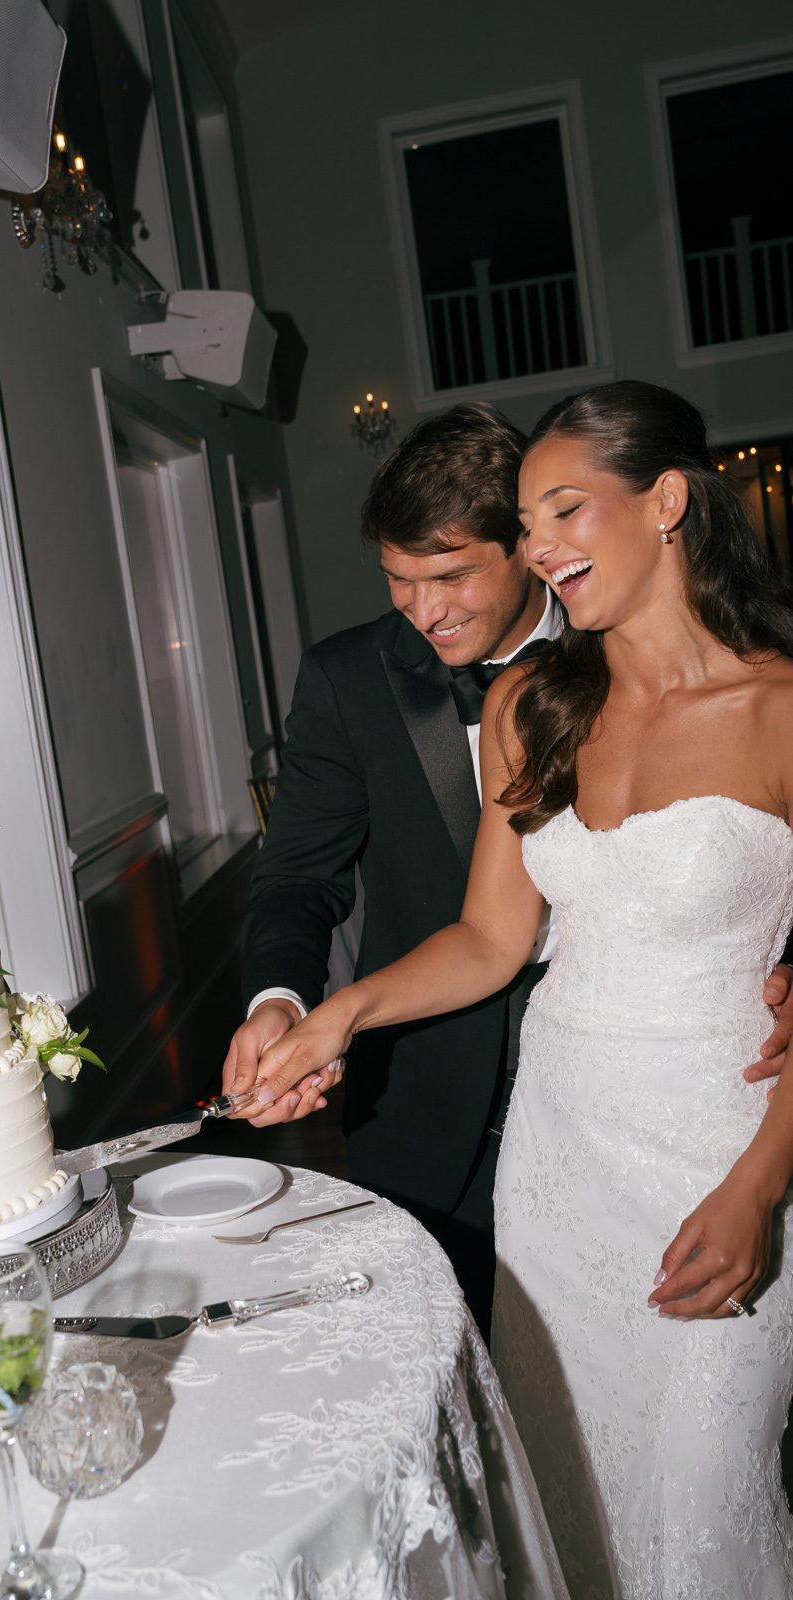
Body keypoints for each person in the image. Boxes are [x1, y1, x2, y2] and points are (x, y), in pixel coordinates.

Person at [247, 380, 793, 1596]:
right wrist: (329, 1010)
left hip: (716, 1148)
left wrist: (759, 1187)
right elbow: (490, 941)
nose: (542, 545)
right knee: (566, 1492)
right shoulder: (529, 706)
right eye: (530, 516)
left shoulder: (781, 707)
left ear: (663, 502)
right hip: (556, 1164)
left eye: (559, 510)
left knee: (706, 1502)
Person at [224, 402, 560, 1335]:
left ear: (525, 547)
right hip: (421, 1091)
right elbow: (298, 875)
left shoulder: (623, 653)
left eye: (450, 575)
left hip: (610, 1082)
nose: (423, 612)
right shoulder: (345, 676)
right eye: (398, 581)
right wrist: (281, 1002)